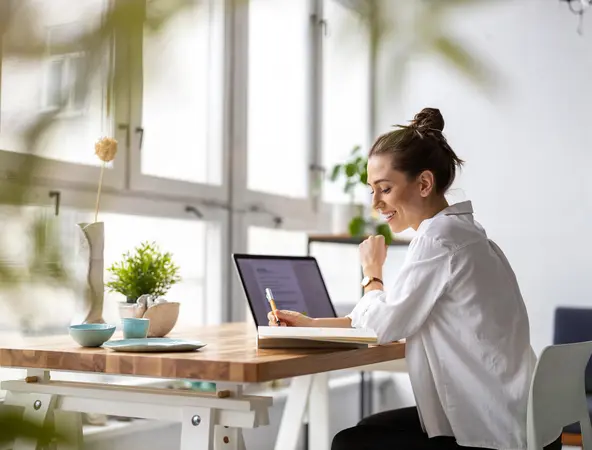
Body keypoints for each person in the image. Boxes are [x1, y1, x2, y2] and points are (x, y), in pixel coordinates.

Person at [267, 108, 562, 450]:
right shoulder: (464, 234)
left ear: (424, 183)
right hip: (521, 420)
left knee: (351, 442)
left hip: (491, 432)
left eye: (385, 189)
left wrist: (371, 274)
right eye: (371, 190)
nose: (376, 202)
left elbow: (383, 326)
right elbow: (393, 315)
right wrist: (311, 323)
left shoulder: (439, 240)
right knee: (365, 430)